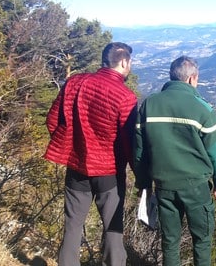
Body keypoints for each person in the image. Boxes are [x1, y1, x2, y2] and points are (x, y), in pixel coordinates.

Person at [44, 42, 137, 266]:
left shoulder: (74, 82)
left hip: (76, 166)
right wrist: (140, 174)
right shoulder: (125, 97)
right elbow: (130, 144)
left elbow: (52, 121)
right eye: (130, 62)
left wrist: (70, 146)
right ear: (124, 62)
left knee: (73, 226)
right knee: (113, 230)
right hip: (109, 172)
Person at [135, 55, 216, 266]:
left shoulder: (149, 105)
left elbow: (140, 151)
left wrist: (143, 184)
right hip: (196, 187)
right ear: (191, 79)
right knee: (202, 242)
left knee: (169, 242)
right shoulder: (203, 109)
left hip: (164, 187)